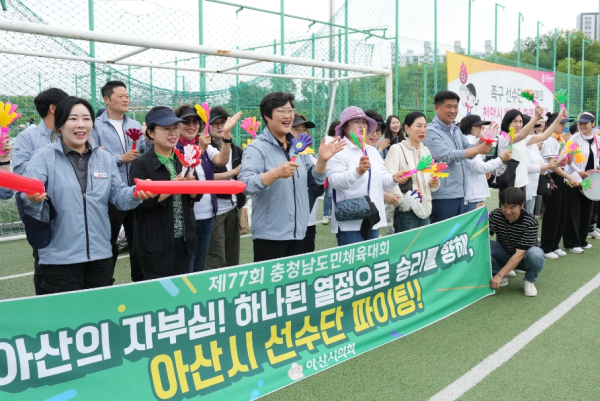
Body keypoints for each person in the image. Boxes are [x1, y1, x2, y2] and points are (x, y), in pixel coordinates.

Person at [20, 96, 150, 294]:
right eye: (73, 118)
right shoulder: (43, 157)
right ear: (59, 124)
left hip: (101, 255)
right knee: (65, 312)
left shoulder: (104, 158)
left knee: (99, 310)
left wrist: (135, 193)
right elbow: (28, 200)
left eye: (86, 119)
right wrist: (33, 199)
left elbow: (117, 195)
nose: (81, 124)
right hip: (59, 259)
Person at [239, 92, 343, 262]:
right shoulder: (256, 148)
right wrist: (276, 173)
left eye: (290, 110)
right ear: (267, 116)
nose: (287, 115)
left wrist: (322, 160)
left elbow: (315, 180)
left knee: (296, 279)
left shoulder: (297, 147)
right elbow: (246, 183)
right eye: (281, 111)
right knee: (272, 279)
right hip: (270, 236)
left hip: (299, 232)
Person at [130, 107, 201, 279]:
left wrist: (192, 190)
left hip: (184, 241)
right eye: (166, 129)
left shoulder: (183, 159)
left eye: (175, 128)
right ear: (151, 133)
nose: (173, 133)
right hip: (155, 244)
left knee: (182, 288)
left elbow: (197, 194)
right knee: (160, 291)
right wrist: (172, 187)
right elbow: (140, 202)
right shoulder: (141, 164)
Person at [11, 87, 69, 295]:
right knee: (44, 256)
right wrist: (47, 164)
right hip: (40, 205)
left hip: (69, 202)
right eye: (67, 104)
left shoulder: (71, 134)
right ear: (54, 108)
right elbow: (20, 173)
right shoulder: (28, 137)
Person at [327, 106, 409, 246]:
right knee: (353, 259)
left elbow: (382, 178)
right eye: (356, 122)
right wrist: (358, 171)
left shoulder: (371, 150)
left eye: (364, 122)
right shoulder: (338, 150)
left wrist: (394, 178)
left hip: (373, 217)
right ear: (345, 127)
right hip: (351, 221)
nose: (361, 125)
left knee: (370, 259)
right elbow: (335, 182)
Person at [91, 80, 146, 282]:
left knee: (138, 241)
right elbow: (93, 156)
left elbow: (144, 153)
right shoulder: (95, 126)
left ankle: (139, 282)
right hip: (110, 194)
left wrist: (147, 145)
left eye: (127, 96)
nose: (125, 100)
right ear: (106, 99)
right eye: (120, 96)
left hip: (135, 191)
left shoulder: (135, 125)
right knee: (108, 241)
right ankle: (104, 282)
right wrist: (119, 158)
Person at [173, 104, 239, 272]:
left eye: (195, 122)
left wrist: (226, 135)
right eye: (186, 121)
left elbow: (221, 160)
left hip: (207, 215)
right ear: (177, 125)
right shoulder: (174, 148)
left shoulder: (202, 143)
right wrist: (200, 149)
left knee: (200, 266)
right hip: (187, 217)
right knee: (186, 266)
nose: (191, 125)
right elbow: (184, 177)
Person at [423, 91, 492, 223]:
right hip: (443, 195)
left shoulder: (455, 129)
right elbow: (446, 155)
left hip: (460, 193)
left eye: (455, 107)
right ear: (437, 108)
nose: (453, 111)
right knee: (444, 232)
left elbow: (469, 149)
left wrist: (484, 140)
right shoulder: (431, 131)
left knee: (456, 233)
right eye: (448, 106)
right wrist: (478, 149)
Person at [384, 111, 439, 232]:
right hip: (406, 212)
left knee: (423, 242)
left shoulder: (426, 150)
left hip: (425, 209)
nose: (423, 130)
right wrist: (402, 202)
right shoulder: (397, 149)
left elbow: (431, 175)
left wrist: (434, 183)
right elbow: (389, 180)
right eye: (419, 126)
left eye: (425, 126)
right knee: (406, 243)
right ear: (407, 128)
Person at [206, 106, 245, 269]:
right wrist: (233, 172)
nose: (220, 126)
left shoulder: (237, 150)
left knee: (232, 254)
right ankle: (213, 283)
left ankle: (231, 282)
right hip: (213, 209)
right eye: (215, 123)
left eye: (223, 122)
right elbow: (205, 178)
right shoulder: (205, 149)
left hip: (234, 206)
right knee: (215, 255)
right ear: (207, 126)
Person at [489, 187, 545, 297]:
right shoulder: (496, 214)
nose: (508, 211)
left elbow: (520, 254)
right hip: (505, 254)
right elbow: (484, 236)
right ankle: (499, 272)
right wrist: (480, 214)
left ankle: (529, 281)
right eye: (504, 206)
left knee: (536, 254)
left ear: (521, 205)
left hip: (524, 260)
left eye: (512, 207)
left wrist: (499, 275)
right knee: (484, 245)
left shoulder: (530, 221)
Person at [540, 110, 577, 260]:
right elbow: (553, 165)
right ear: (552, 124)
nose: (564, 126)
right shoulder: (550, 140)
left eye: (564, 123)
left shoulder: (560, 140)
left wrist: (570, 150)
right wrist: (569, 176)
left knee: (561, 212)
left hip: (561, 177)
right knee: (552, 213)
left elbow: (565, 162)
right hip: (553, 177)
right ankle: (546, 246)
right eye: (561, 123)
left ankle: (554, 245)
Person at [497, 106, 554, 197]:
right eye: (515, 121)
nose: (518, 124)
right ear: (508, 122)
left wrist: (558, 120)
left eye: (520, 121)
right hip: (509, 184)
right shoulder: (504, 137)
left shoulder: (523, 139)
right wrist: (536, 117)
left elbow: (544, 136)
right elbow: (520, 136)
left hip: (522, 184)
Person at [459, 115, 512, 212]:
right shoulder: (468, 141)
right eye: (477, 126)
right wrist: (501, 159)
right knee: (475, 222)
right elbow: (480, 168)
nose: (481, 128)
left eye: (481, 126)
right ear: (468, 127)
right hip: (472, 196)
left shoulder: (472, 141)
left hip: (473, 195)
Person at [563, 112, 598, 254]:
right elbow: (568, 161)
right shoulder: (574, 138)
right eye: (580, 123)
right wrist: (579, 171)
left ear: (593, 124)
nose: (582, 125)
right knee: (573, 211)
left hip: (590, 180)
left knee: (587, 210)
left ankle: (582, 240)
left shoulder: (597, 139)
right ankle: (572, 243)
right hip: (574, 179)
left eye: (585, 123)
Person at [290, 113, 322, 253]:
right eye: (296, 130)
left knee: (307, 257)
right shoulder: (284, 156)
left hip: (309, 219)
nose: (301, 134)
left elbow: (318, 186)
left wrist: (323, 161)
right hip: (288, 222)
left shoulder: (311, 158)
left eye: (304, 130)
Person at [365, 110, 394, 235]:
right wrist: (382, 194)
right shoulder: (349, 151)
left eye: (378, 131)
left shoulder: (374, 152)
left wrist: (395, 178)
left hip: (373, 214)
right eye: (371, 130)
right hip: (355, 215)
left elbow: (383, 177)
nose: (375, 134)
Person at [524, 115, 557, 214]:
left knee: (529, 215)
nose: (532, 130)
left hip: (533, 186)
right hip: (523, 187)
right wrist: (547, 166)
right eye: (530, 128)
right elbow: (526, 168)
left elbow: (541, 162)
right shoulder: (521, 144)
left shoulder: (533, 145)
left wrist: (555, 163)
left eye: (533, 128)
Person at [322, 121, 340, 225]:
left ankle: (333, 214)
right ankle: (326, 214)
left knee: (337, 193)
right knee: (329, 193)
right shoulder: (328, 139)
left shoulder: (342, 139)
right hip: (328, 170)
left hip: (338, 170)